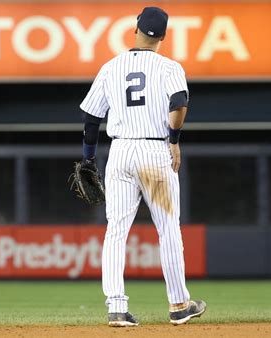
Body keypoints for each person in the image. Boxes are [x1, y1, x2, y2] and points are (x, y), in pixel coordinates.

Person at [79, 6, 206, 327]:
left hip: (119, 153)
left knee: (115, 232)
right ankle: (178, 305)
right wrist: (174, 139)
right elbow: (179, 104)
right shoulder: (169, 67)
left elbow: (91, 119)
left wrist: (88, 158)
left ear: (135, 28)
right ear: (163, 36)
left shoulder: (110, 67)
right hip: (154, 153)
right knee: (167, 230)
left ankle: (116, 308)